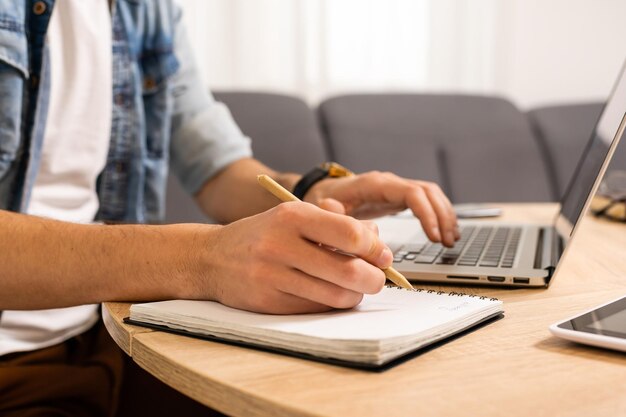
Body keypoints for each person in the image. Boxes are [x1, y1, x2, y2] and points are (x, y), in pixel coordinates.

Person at [0, 1, 459, 416]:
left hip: (101, 342)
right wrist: (203, 260)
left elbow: (218, 168)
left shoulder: (147, 10)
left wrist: (312, 193)